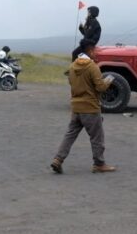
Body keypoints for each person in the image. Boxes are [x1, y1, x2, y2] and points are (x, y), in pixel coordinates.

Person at [51, 39, 116, 174]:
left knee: (70, 135)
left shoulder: (73, 66)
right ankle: (99, 164)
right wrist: (109, 79)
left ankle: (58, 159)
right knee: (97, 137)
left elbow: (71, 82)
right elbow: (100, 87)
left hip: (76, 107)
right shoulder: (92, 67)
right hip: (90, 108)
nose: (96, 53)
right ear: (90, 50)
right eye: (95, 51)